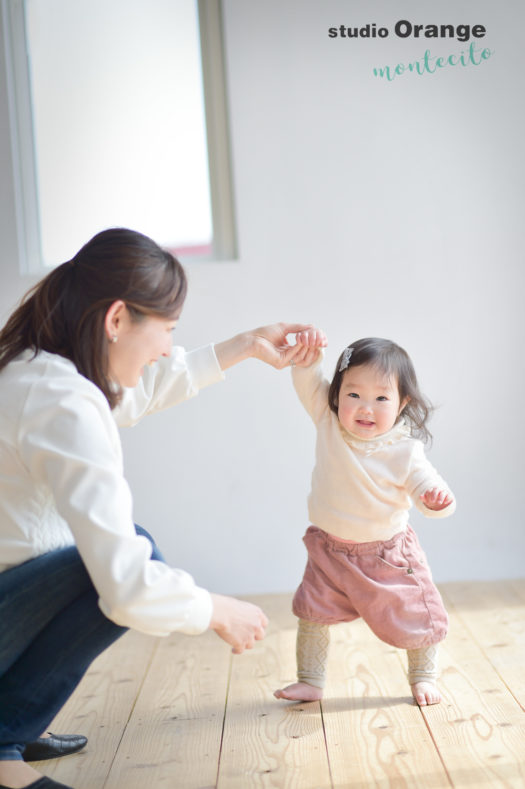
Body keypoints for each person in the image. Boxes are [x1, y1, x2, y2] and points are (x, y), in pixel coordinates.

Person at [0, 227, 323, 789]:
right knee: (123, 559)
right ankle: (3, 743)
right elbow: (126, 587)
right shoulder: (61, 400)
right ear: (117, 319)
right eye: (167, 330)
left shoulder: (37, 367)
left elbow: (136, 390)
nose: (168, 348)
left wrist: (245, 344)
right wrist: (215, 608)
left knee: (120, 554)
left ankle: (10, 723)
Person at [274, 333, 456, 708]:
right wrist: (309, 357)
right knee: (311, 613)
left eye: (381, 398)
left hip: (387, 556)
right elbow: (308, 379)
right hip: (329, 550)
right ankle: (310, 680)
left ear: (402, 402)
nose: (365, 408)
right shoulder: (328, 423)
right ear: (337, 395)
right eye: (353, 394)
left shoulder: (404, 451)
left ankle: (423, 675)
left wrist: (436, 500)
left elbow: (426, 484)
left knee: (416, 616)